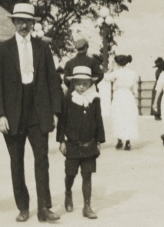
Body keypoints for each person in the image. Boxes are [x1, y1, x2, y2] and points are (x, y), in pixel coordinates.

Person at [0, 3, 63, 223]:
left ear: (33, 23)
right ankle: (23, 206)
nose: (24, 25)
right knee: (17, 161)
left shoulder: (43, 48)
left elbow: (53, 80)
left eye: (28, 21)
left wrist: (55, 111)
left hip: (38, 111)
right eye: (20, 21)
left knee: (42, 159)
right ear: (13, 22)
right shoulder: (3, 49)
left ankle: (43, 208)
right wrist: (0, 114)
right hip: (12, 114)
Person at [57, 65, 105, 220]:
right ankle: (68, 192)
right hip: (72, 144)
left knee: (87, 175)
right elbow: (62, 122)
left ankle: (87, 205)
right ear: (73, 83)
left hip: (89, 144)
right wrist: (61, 141)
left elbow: (98, 120)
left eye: (85, 83)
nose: (82, 87)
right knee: (70, 173)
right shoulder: (68, 99)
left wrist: (98, 140)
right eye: (78, 83)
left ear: (90, 83)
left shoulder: (95, 99)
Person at [104, 54, 139, 150]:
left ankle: (119, 140)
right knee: (128, 118)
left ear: (117, 63)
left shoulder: (117, 72)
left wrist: (111, 68)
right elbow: (135, 88)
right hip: (128, 96)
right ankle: (127, 142)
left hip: (119, 95)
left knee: (118, 117)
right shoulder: (133, 73)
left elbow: (105, 77)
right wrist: (134, 94)